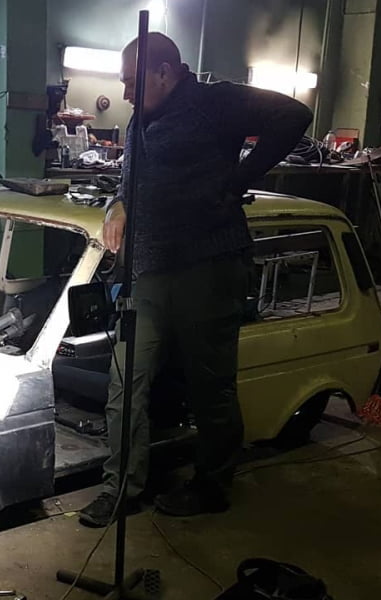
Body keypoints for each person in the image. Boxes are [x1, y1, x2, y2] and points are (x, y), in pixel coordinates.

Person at [79, 33, 313, 527]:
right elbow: (128, 182)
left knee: (210, 387)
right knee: (126, 382)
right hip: (148, 273)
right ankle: (121, 487)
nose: (125, 93)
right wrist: (117, 205)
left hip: (208, 267)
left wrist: (239, 179)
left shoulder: (214, 102)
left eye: (131, 82)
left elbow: (294, 115)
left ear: (164, 72)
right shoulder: (140, 118)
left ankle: (213, 485)